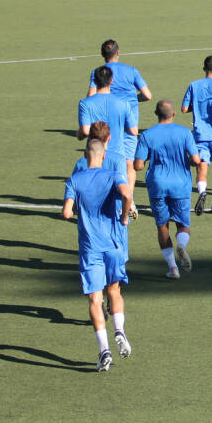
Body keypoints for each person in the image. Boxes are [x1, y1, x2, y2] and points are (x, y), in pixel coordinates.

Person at [62, 140, 133, 372]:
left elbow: (66, 212)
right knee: (115, 291)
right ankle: (119, 332)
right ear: (103, 156)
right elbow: (126, 194)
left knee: (95, 299)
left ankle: (104, 350)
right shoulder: (113, 174)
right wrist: (123, 218)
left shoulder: (74, 179)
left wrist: (75, 210)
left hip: (90, 247)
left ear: (85, 155)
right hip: (113, 244)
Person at [133, 100, 201, 279]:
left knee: (162, 225)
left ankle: (173, 268)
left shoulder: (147, 135)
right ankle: (182, 246)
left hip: (158, 184)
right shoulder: (185, 132)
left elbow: (138, 166)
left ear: (156, 113)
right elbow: (196, 159)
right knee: (183, 224)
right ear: (173, 114)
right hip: (181, 184)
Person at [87, 40, 152, 214]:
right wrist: (134, 100)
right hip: (130, 122)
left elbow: (91, 96)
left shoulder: (98, 73)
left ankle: (102, 200)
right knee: (128, 164)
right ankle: (129, 201)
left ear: (102, 55)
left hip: (107, 126)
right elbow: (147, 95)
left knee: (104, 161)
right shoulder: (131, 71)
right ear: (118, 52)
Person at [181, 55, 212, 215]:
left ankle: (202, 191)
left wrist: (195, 108)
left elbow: (184, 108)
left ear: (204, 69)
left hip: (200, 134)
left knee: (201, 167)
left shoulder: (194, 85)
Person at [78, 65, 139, 173]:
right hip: (118, 156)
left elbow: (85, 130)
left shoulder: (85, 104)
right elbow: (134, 130)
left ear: (95, 81)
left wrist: (80, 135)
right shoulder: (123, 104)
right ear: (111, 81)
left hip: (94, 155)